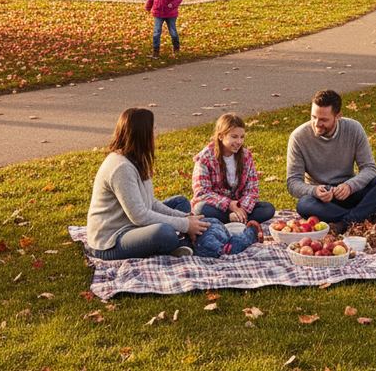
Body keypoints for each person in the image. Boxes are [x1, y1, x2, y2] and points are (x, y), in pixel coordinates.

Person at [85, 107, 209, 260]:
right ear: (142, 134)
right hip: (110, 241)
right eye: (153, 129)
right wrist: (184, 224)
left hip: (133, 226)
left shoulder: (138, 159)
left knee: (181, 203)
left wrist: (186, 218)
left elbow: (150, 203)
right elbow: (140, 216)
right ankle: (181, 243)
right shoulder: (121, 168)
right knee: (164, 233)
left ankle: (182, 243)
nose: (155, 134)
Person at [286, 89, 376, 231]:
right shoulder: (298, 137)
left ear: (338, 116)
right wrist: (314, 191)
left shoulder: (354, 129)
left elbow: (369, 168)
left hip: (350, 192)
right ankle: (364, 219)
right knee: (304, 204)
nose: (316, 123)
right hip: (322, 201)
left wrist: (350, 186)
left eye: (323, 120)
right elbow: (293, 183)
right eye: (313, 117)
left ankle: (345, 223)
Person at [192, 113, 276, 225]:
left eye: (242, 137)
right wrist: (230, 204)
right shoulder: (205, 158)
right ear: (221, 136)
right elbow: (202, 193)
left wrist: (241, 208)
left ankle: (235, 219)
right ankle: (233, 219)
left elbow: (252, 189)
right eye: (234, 137)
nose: (239, 142)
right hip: (217, 206)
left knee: (268, 209)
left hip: (240, 205)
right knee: (200, 208)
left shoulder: (246, 156)